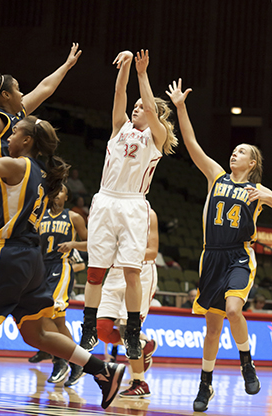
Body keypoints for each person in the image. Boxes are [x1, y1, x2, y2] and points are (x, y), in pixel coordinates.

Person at [0, 116, 125, 410]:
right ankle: (102, 370)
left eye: (14, 133)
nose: (9, 138)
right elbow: (6, 179)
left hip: (11, 254)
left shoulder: (16, 165)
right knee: (37, 334)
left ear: (27, 141)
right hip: (33, 261)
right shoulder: (39, 172)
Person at [0, 43, 82, 367]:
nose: (23, 92)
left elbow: (45, 89)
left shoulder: (19, 119)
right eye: (18, 88)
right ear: (5, 95)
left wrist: (66, 65)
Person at [167, 78, 270, 412]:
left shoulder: (258, 191)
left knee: (233, 310)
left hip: (239, 256)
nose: (233, 153)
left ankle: (246, 363)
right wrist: (181, 107)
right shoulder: (215, 176)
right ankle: (205, 384)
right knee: (212, 330)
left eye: (241, 152)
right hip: (210, 257)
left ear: (252, 164)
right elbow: (192, 143)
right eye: (234, 150)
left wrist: (270, 197)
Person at [80, 49, 177, 361]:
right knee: (95, 271)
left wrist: (142, 73)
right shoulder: (119, 127)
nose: (136, 110)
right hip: (105, 199)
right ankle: (88, 327)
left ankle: (133, 331)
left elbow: (150, 104)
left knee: (132, 273)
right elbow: (120, 92)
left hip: (134, 205)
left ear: (154, 117)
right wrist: (124, 66)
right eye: (133, 107)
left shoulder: (156, 137)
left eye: (141, 108)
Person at [29, 183, 88, 387]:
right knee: (58, 322)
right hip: (40, 268)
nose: (57, 193)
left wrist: (73, 245)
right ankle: (77, 363)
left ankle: (59, 361)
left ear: (67, 196)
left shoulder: (73, 217)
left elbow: (92, 243)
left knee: (48, 314)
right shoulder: (39, 216)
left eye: (61, 190)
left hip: (60, 267)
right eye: (54, 189)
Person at [96, 208, 159, 398]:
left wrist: (124, 252)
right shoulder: (109, 209)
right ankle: (144, 344)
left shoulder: (149, 214)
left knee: (127, 329)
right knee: (102, 329)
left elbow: (152, 252)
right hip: (115, 273)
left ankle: (140, 383)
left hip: (140, 271)